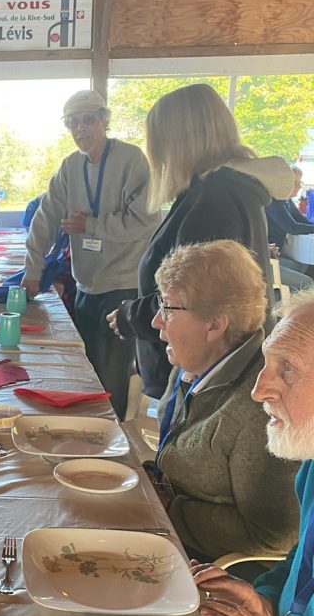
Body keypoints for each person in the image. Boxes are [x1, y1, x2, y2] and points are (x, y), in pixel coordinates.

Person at [193, 289, 314, 616]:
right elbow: (300, 560)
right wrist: (265, 599)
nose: (259, 388)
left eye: (286, 369)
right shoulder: (312, 467)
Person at [109, 83, 293, 399]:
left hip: (201, 376)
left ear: (178, 142)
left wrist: (132, 316)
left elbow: (199, 300)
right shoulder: (220, 192)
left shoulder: (213, 201)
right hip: (205, 370)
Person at [150, 240, 299, 561]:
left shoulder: (261, 408)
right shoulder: (192, 364)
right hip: (167, 527)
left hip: (208, 568)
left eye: (168, 309)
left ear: (215, 325)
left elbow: (274, 536)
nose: (156, 322)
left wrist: (169, 509)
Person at [22, 90, 156, 417]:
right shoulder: (71, 166)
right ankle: (85, 439)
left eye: (88, 119)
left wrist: (92, 225)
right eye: (73, 122)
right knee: (84, 371)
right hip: (85, 288)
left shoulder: (132, 160)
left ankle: (113, 449)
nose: (81, 128)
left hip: (122, 287)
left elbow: (146, 222)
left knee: (110, 378)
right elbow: (45, 217)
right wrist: (32, 269)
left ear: (105, 120)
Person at [266, 167, 314, 287]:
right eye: (294, 183)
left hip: (274, 255)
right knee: (307, 283)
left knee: (301, 266)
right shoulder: (273, 201)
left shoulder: (286, 200)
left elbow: (301, 220)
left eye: (299, 183)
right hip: (267, 258)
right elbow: (292, 227)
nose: (298, 187)